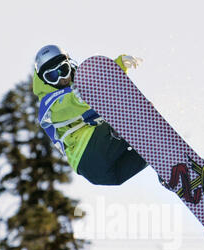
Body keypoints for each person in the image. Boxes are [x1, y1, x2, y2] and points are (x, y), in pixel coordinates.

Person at [33, 45, 148, 187]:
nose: (61, 79)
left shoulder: (81, 83)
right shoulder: (49, 104)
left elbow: (99, 80)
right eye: (52, 76)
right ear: (44, 81)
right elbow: (67, 106)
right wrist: (78, 98)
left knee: (145, 152)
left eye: (63, 70)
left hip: (98, 174)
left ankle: (166, 168)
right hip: (90, 150)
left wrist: (119, 65)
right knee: (126, 113)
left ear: (70, 64)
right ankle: (121, 130)